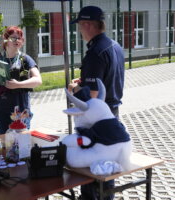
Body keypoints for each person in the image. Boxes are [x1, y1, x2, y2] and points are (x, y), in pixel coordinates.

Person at [68, 6, 125, 200]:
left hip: (96, 120)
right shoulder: (114, 46)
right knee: (106, 168)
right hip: (111, 114)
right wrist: (83, 82)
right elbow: (104, 81)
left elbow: (92, 96)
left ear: (87, 24)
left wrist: (73, 90)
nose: (80, 31)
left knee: (93, 172)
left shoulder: (95, 53)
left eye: (80, 26)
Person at [0, 26, 42, 135]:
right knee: (5, 142)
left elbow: (38, 80)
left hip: (20, 110)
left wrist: (18, 84)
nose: (17, 41)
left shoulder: (25, 59)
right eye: (14, 38)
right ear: (6, 40)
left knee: (21, 142)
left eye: (20, 38)